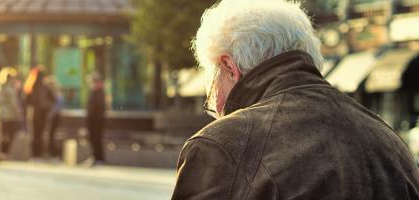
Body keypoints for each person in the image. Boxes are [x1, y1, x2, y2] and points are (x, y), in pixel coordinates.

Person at [172, 0, 419, 199]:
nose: (215, 109)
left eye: (211, 89)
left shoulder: (220, 145)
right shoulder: (390, 142)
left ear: (229, 67)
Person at [24, 66, 56, 159]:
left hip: (35, 113)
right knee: (40, 133)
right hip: (42, 113)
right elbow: (53, 99)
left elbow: (26, 101)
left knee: (35, 133)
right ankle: (39, 153)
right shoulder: (44, 87)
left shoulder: (31, 86)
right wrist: (47, 106)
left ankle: (35, 153)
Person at [0, 67, 23, 160]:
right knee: (9, 134)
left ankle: (0, 153)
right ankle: (4, 153)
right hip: (9, 115)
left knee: (1, 134)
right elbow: (14, 104)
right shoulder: (9, 89)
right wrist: (18, 113)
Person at [86, 74, 106, 166]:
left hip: (96, 120)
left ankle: (99, 158)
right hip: (93, 120)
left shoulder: (99, 92)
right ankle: (96, 157)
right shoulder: (94, 92)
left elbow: (98, 108)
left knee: (96, 139)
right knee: (93, 139)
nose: (90, 84)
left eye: (92, 82)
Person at [45, 77, 63, 158]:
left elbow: (57, 107)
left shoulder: (56, 94)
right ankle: (52, 152)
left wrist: (50, 114)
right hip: (55, 116)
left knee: (51, 134)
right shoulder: (56, 94)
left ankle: (53, 152)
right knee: (51, 134)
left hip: (55, 116)